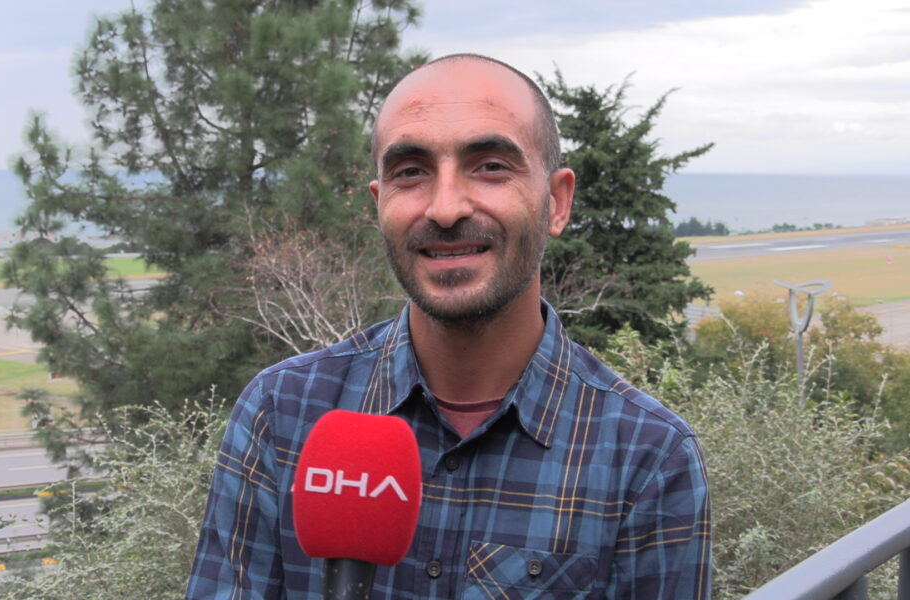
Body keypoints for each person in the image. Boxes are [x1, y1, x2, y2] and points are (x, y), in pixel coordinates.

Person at [185, 54, 711, 599]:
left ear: (557, 203)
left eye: (490, 166)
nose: (444, 208)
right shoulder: (281, 412)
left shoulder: (648, 457)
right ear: (379, 204)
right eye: (411, 172)